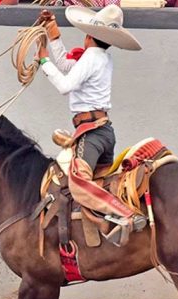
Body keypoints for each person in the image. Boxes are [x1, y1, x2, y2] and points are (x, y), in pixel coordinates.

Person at [36, 5, 145, 244]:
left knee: (78, 182)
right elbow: (67, 67)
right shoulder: (101, 58)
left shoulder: (92, 57)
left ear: (88, 36)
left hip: (91, 134)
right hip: (104, 131)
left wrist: (43, 60)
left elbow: (65, 85)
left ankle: (125, 215)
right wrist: (52, 34)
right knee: (100, 181)